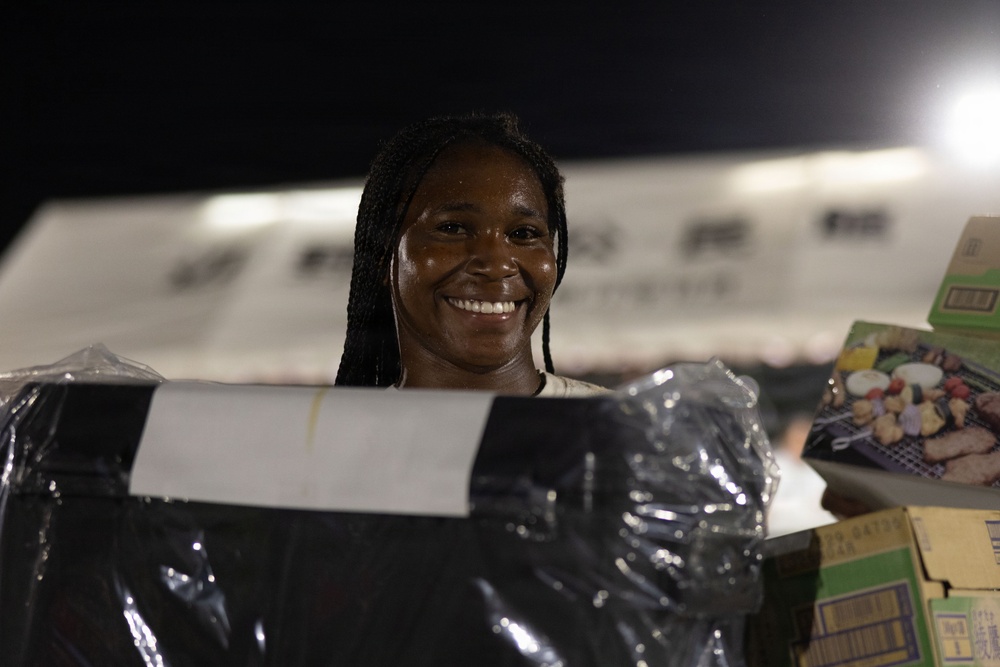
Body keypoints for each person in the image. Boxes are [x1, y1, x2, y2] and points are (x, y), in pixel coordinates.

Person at [334, 112, 605, 397]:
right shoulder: (328, 437)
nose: (496, 265)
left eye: (523, 234)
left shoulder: (624, 430)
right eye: (453, 229)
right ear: (383, 255)